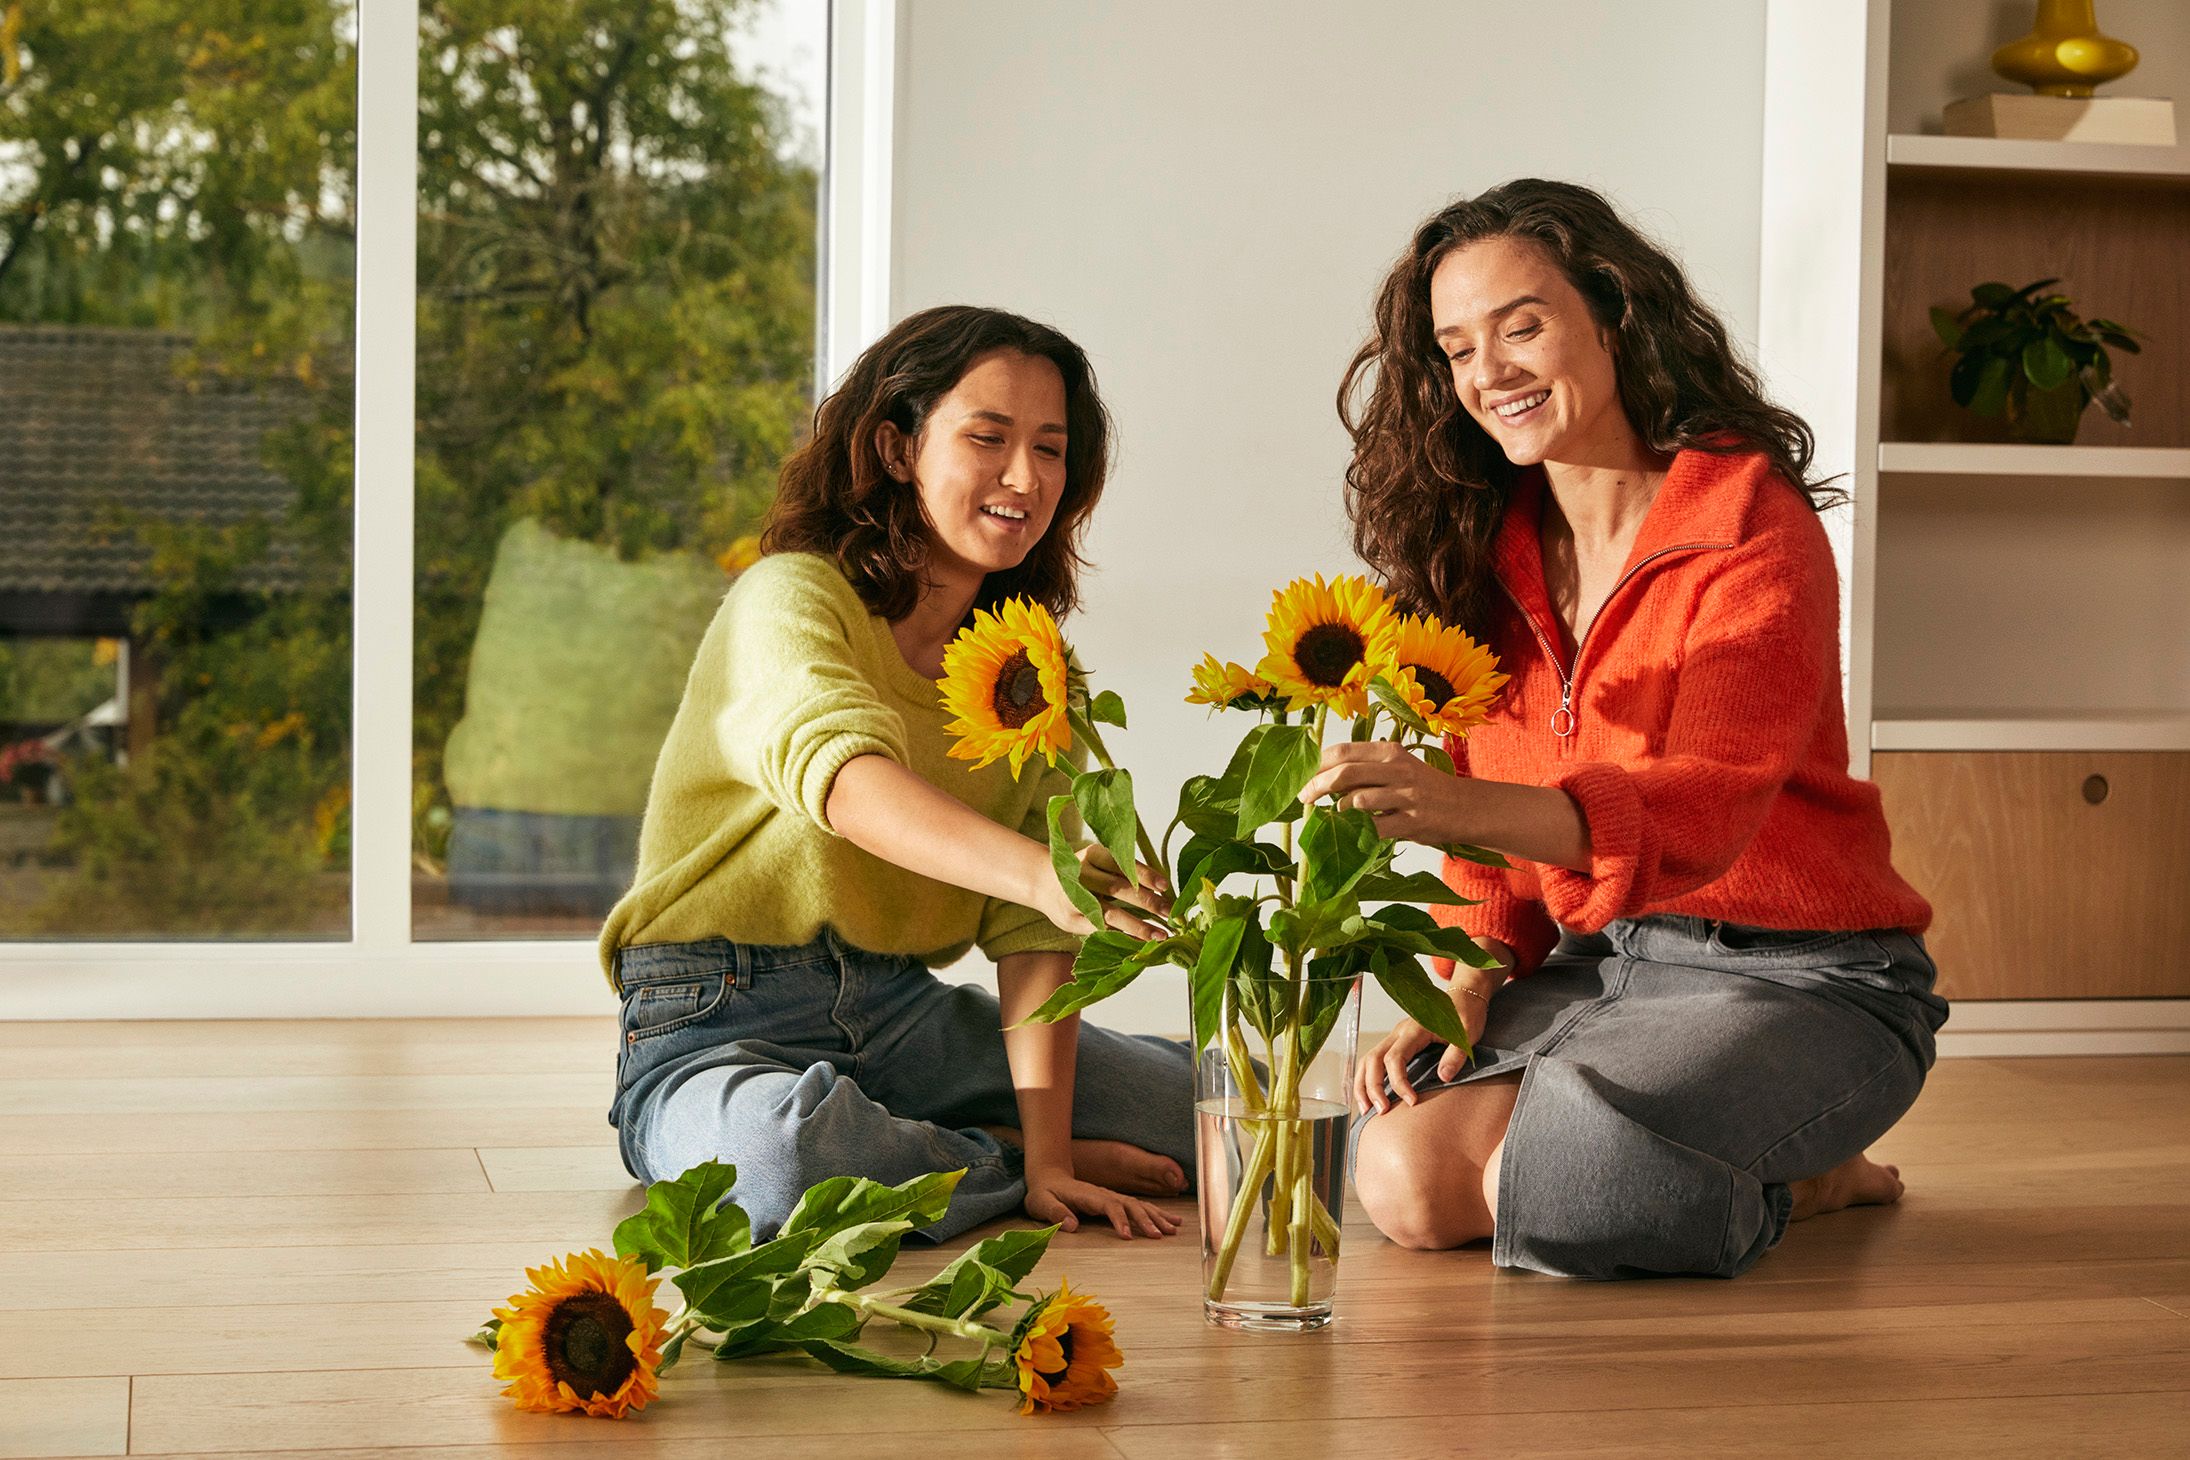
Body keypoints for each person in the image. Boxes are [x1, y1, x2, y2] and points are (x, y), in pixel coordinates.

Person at [1304, 179, 1948, 1279]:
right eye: (1459, 349)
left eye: (1523, 325)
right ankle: (1698, 1158)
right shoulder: (1482, 555)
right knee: (1401, 1177)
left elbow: (1704, 806)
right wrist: (1465, 972)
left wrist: (1457, 804)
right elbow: (1490, 826)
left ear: (1612, 316)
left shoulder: (1752, 528)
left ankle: (1815, 1176)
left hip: (1806, 975)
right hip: (1602, 959)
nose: (1490, 371)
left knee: (1569, 1184)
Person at [601, 305, 1193, 1243]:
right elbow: (841, 775)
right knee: (784, 1163)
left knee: (1201, 1107)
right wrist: (1046, 871)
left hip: (900, 1009)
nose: (1024, 477)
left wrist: (1053, 1163)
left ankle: (951, 1149)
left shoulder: (1033, 668)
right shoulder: (790, 596)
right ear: (894, 446)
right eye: (988, 438)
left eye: (1050, 448)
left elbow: (1034, 924)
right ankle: (973, 1151)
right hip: (712, 1016)